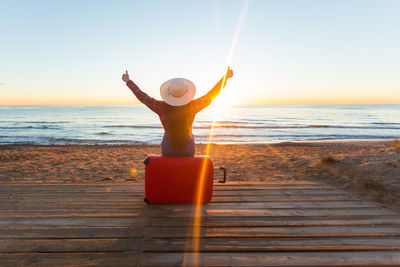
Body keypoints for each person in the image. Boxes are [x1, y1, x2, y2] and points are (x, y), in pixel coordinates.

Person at [122, 68, 234, 156]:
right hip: (187, 149)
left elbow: (143, 97)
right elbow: (212, 94)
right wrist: (225, 78)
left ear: (169, 93)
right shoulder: (193, 106)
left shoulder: (161, 107)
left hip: (168, 149)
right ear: (186, 92)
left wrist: (128, 81)